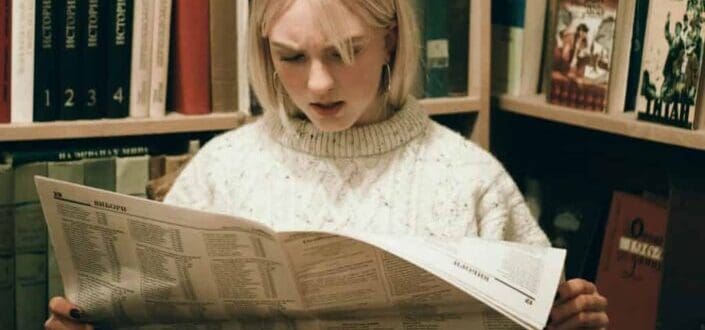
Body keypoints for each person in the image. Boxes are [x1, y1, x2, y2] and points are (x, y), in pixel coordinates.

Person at [46, 0, 609, 329]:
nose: (317, 84)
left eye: (346, 52)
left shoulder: (471, 179)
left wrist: (568, 322)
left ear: (390, 41)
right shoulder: (219, 171)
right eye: (290, 57)